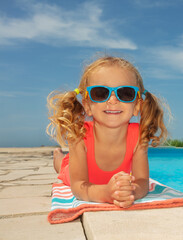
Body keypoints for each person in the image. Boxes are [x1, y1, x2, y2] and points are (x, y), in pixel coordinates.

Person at [47, 55, 168, 208]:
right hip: (74, 172)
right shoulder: (79, 136)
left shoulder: (139, 137)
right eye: (100, 93)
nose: (112, 100)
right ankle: (58, 157)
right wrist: (106, 193)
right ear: (87, 105)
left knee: (67, 162)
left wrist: (132, 191)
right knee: (64, 168)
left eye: (125, 93)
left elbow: (142, 181)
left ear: (137, 105)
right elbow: (78, 186)